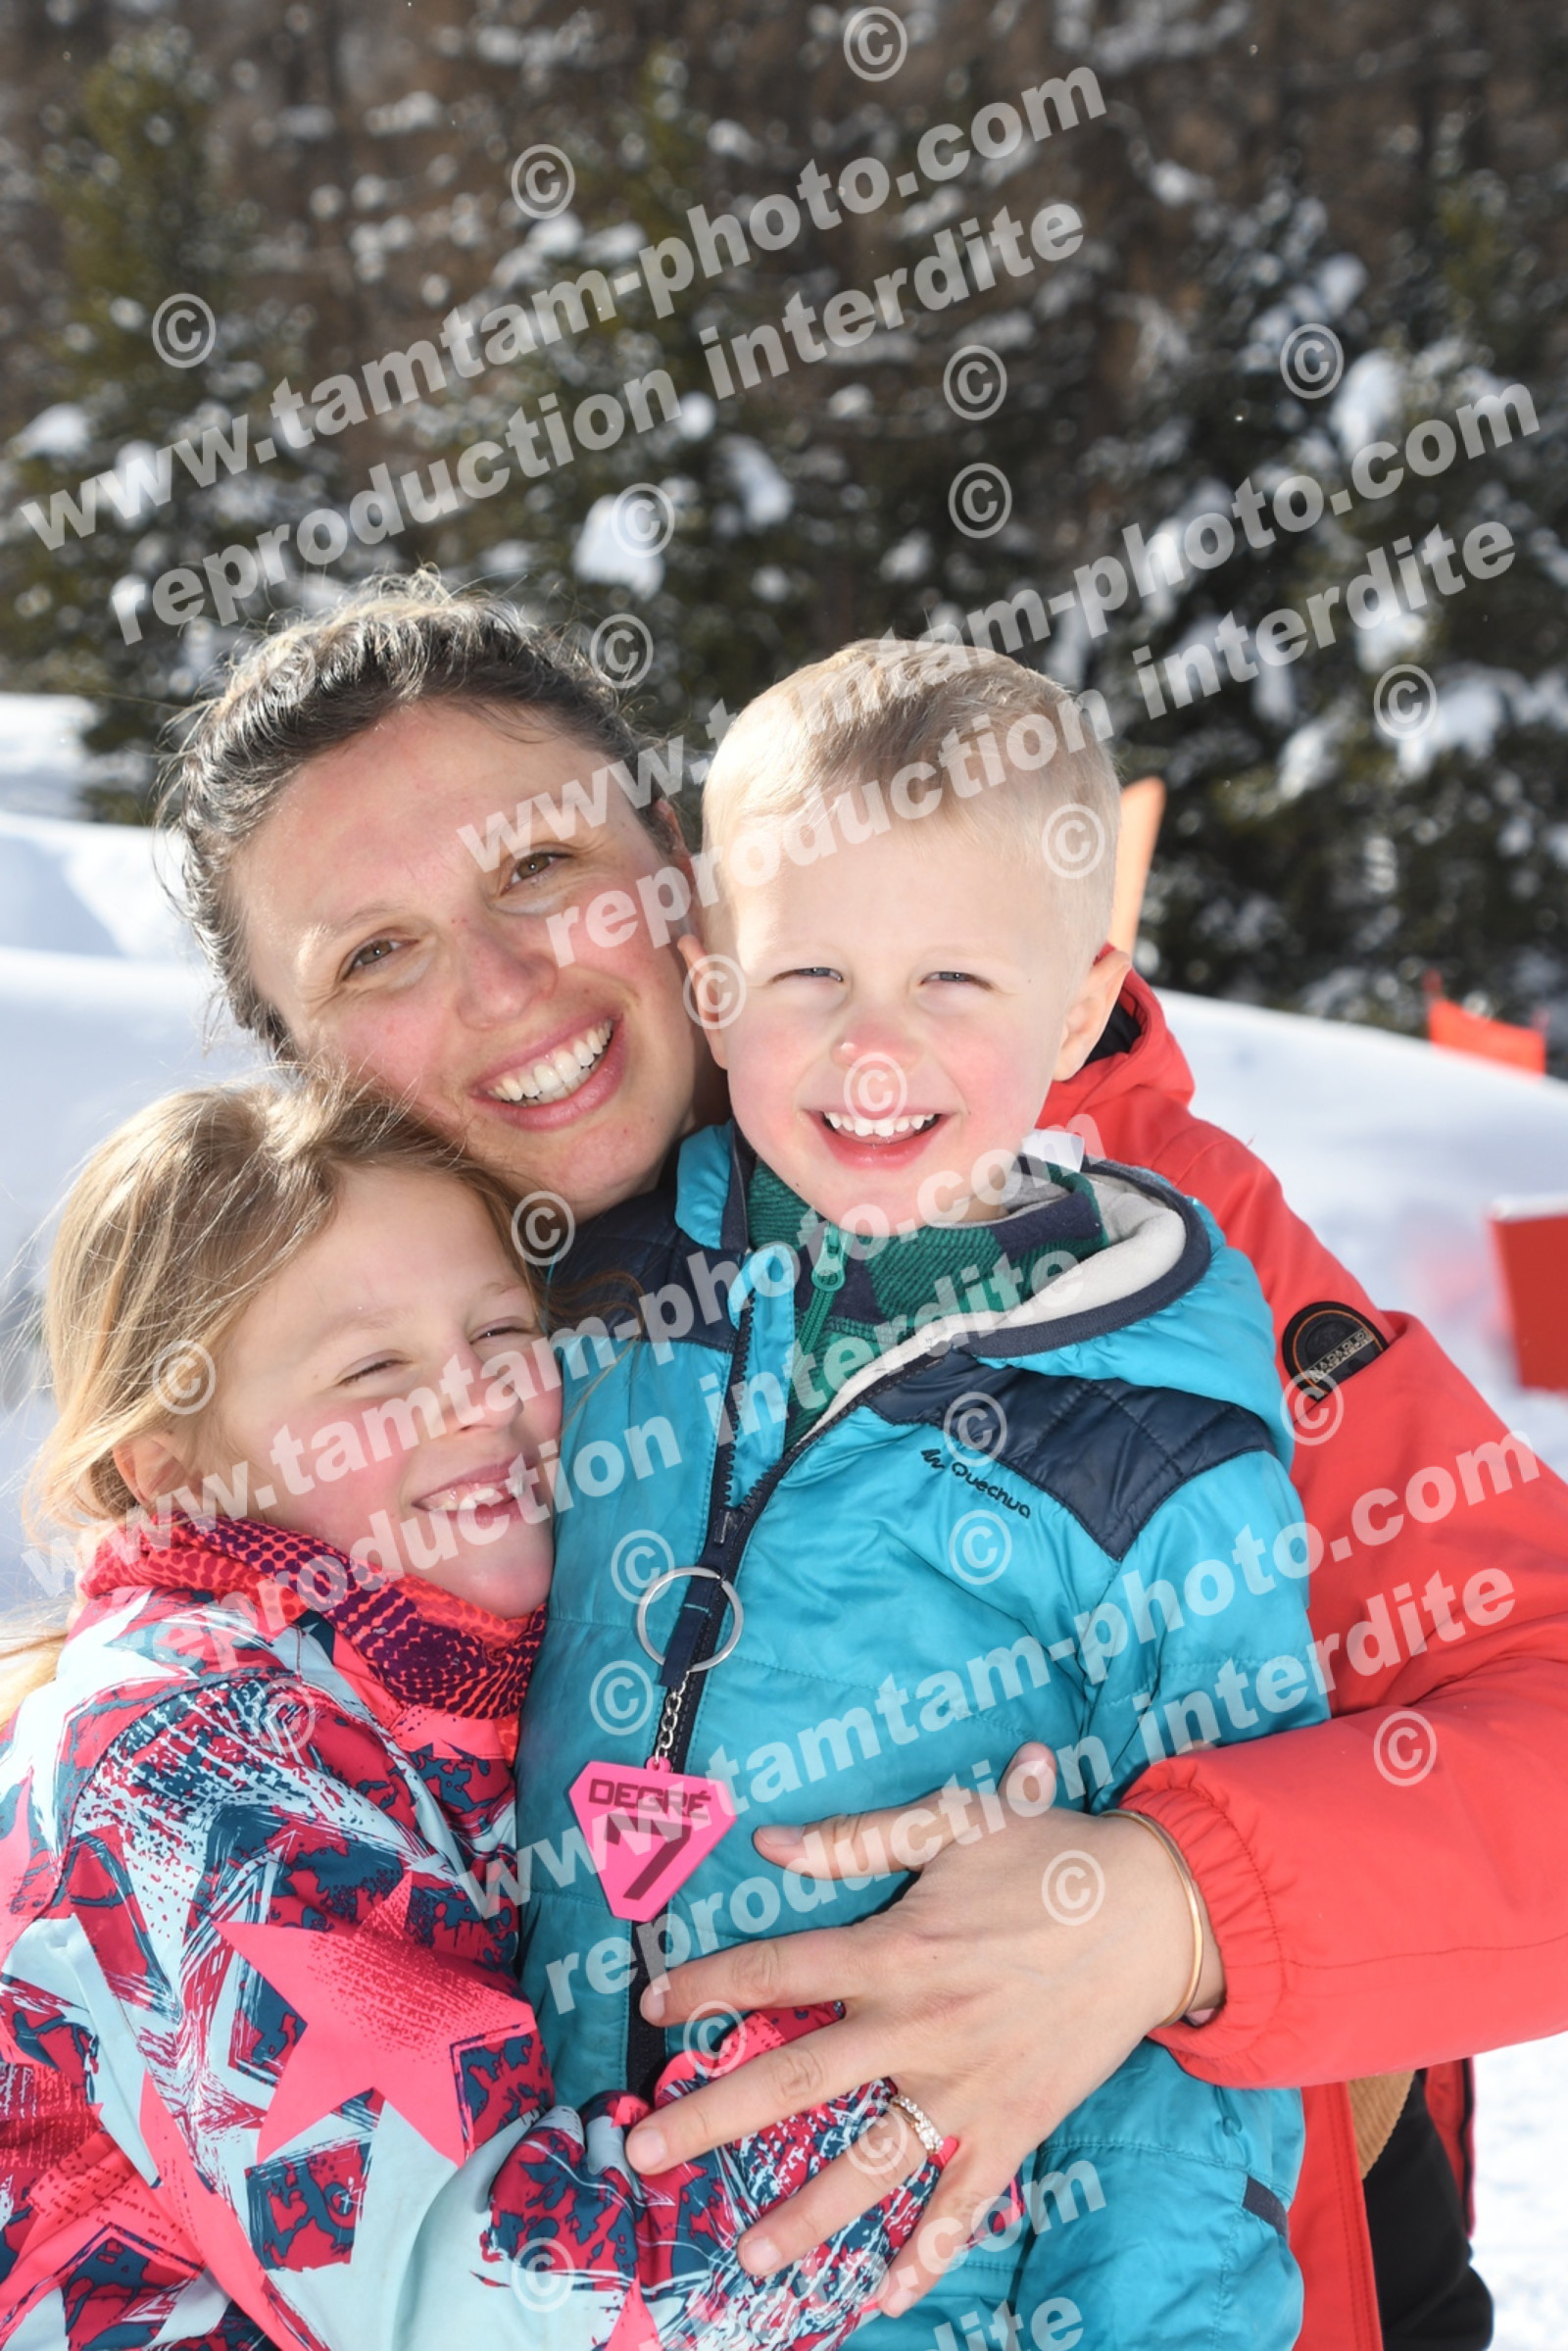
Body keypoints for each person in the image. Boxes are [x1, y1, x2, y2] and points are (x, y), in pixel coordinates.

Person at [159, 575, 1566, 2351]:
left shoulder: (1124, 1254)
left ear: (678, 874)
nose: (507, 984)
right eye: (374, 953)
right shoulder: (341, 1363)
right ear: (296, 1058)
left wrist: (1172, 1909)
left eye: (539, 867)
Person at [518, 638, 1331, 2347]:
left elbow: (1199, 2023)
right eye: (809, 971)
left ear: (1082, 1003)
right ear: (714, 985)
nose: (872, 1046)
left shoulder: (1159, 1430)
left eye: (952, 978)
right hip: (559, 2247)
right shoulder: (604, 1291)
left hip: (921, 2284)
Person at [0, 1080, 936, 2350]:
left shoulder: (451, 1698)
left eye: (501, 1331)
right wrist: (923, 2063)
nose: (475, 1397)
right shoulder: (175, 1767)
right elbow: (504, 2303)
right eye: (373, 1369)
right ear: (174, 1470)